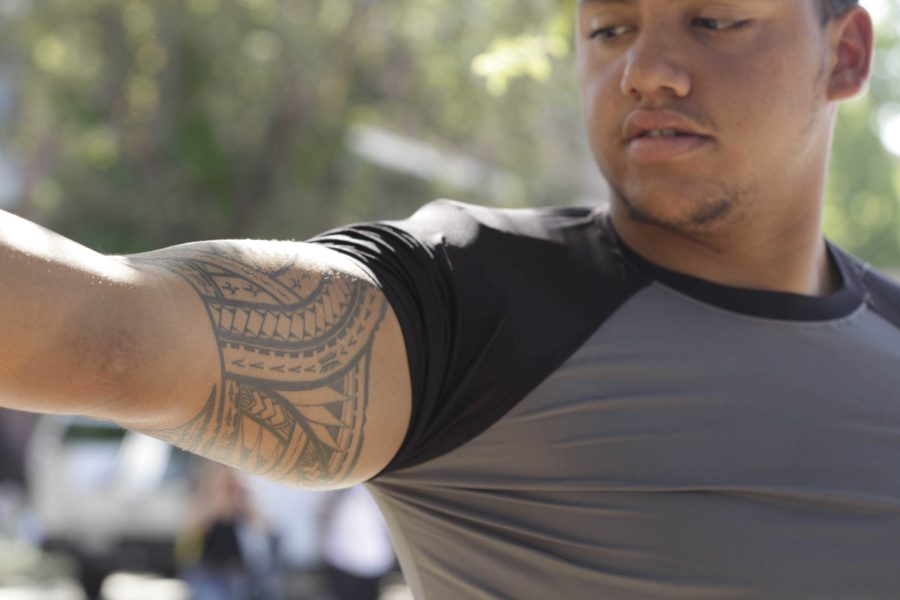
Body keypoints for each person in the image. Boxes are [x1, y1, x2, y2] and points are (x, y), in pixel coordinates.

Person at [0, 0, 897, 597]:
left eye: (715, 18)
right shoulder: (473, 304)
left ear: (846, 53)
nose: (646, 70)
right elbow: (111, 335)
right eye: (609, 28)